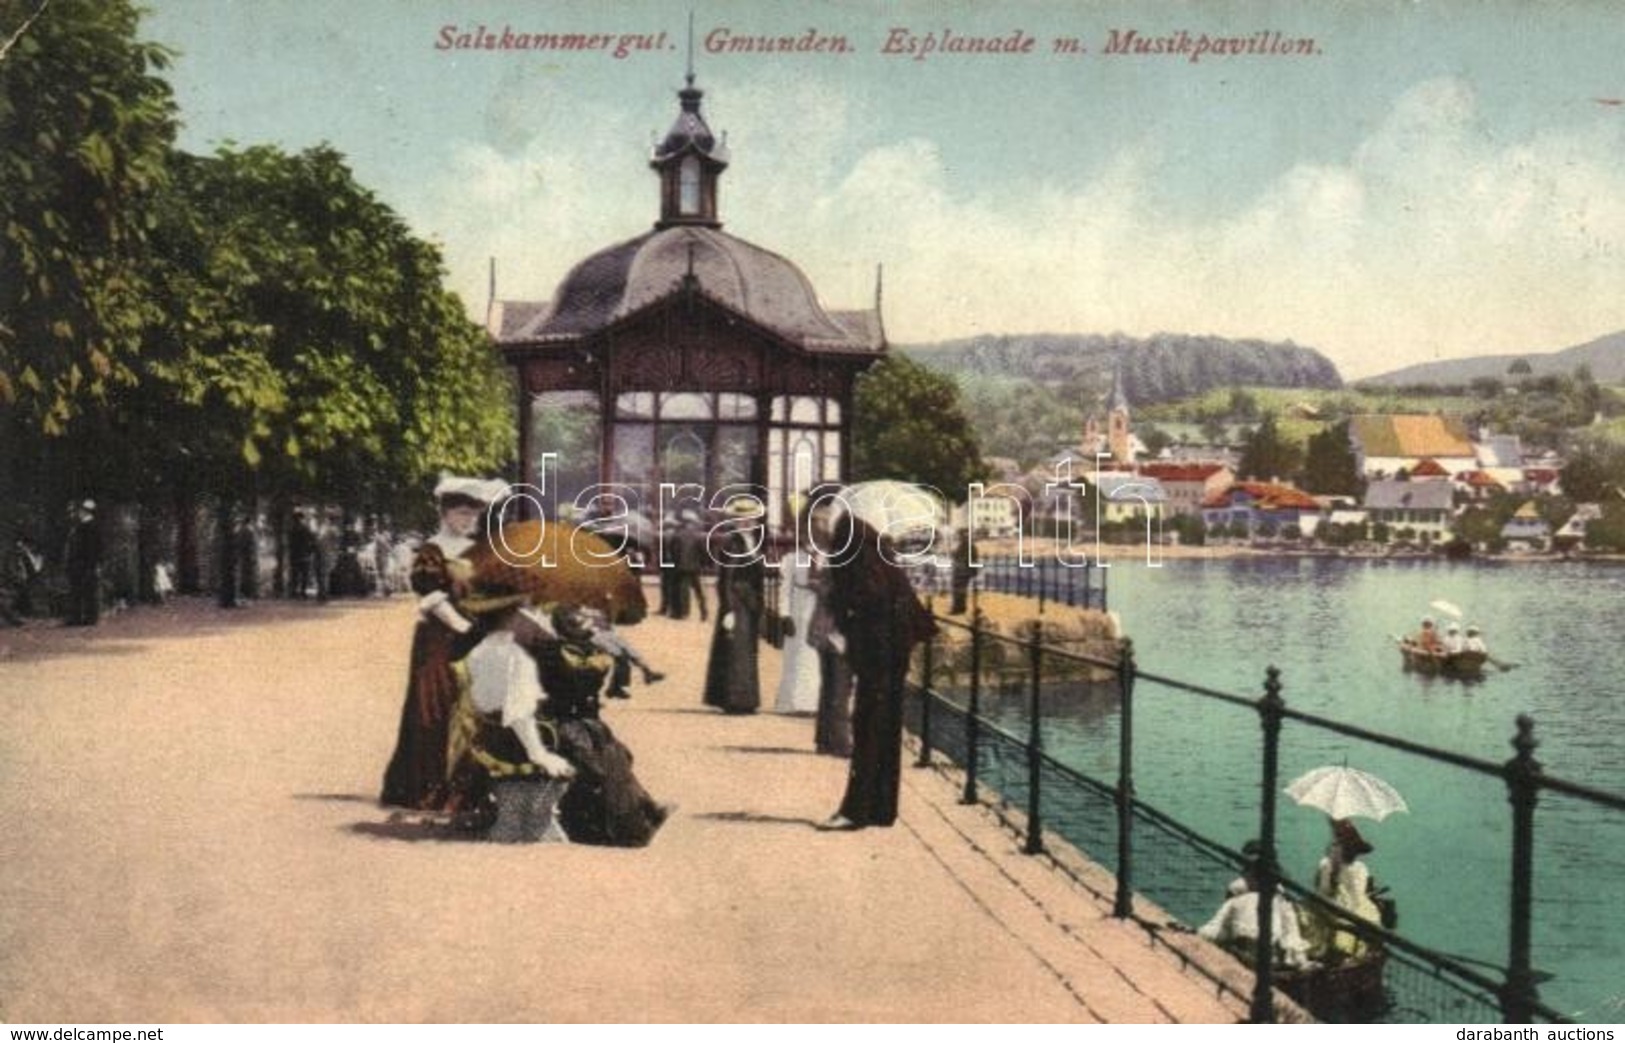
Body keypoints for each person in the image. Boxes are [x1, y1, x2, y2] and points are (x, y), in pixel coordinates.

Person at [379, 475, 509, 811]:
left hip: (475, 637)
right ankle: (427, 788)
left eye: (475, 515)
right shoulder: (431, 550)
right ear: (446, 513)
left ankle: (466, 788)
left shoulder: (478, 550)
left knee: (474, 709)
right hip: (439, 640)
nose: (470, 521)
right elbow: (432, 596)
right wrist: (463, 626)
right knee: (434, 707)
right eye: (464, 514)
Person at [817, 511, 938, 830]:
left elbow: (861, 602)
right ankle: (883, 808)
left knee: (868, 727)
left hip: (876, 655)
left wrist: (837, 604)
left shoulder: (854, 557)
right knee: (887, 728)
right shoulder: (883, 555)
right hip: (895, 652)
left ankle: (855, 811)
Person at [535, 604, 671, 846]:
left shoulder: (584, 652)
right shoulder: (552, 652)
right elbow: (573, 682)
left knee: (617, 755)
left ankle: (641, 812)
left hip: (584, 722)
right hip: (560, 722)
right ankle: (617, 823)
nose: (587, 628)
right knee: (593, 763)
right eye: (579, 624)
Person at [447, 594, 576, 843]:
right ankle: (534, 822)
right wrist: (539, 754)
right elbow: (518, 713)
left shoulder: (483, 646)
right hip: (516, 739)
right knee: (591, 743)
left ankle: (511, 816)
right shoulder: (516, 653)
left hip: (485, 731)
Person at [1197, 842, 1316, 970]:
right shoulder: (1239, 896)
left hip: (1257, 956)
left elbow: (1291, 935)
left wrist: (1301, 961)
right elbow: (1218, 926)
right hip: (1251, 955)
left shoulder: (1279, 900)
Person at [702, 497, 765, 715]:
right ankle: (734, 700)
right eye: (742, 519)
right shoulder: (732, 542)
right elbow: (726, 578)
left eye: (750, 519)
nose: (747, 522)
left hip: (749, 601)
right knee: (735, 651)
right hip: (736, 600)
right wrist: (728, 608)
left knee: (746, 650)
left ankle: (747, 699)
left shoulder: (752, 541)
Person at [1302, 818, 1385, 963]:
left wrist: (1334, 870)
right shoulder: (1359, 868)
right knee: (1370, 917)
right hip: (1350, 908)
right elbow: (1357, 896)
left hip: (1330, 906)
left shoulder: (1326, 864)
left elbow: (1323, 890)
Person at [773, 502, 824, 716]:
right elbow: (785, 589)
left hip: (818, 608)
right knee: (795, 655)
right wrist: (784, 614)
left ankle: (813, 702)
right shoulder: (792, 560)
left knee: (814, 656)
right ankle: (792, 701)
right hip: (799, 606)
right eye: (806, 536)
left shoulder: (827, 558)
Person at [583, 608, 664, 699]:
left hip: (607, 632)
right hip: (593, 635)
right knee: (620, 656)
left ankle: (647, 672)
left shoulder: (595, 605)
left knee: (630, 652)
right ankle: (615, 688)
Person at [63, 499, 102, 627]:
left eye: (80, 510)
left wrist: (91, 564)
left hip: (84, 564)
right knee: (79, 590)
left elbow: (92, 549)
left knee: (85, 591)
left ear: (84, 511)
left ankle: (86, 617)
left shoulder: (90, 527)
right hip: (80, 563)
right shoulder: (82, 526)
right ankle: (80, 617)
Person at [669, 508, 708, 621]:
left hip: (681, 566)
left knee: (683, 590)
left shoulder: (678, 535)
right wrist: (703, 563)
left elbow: (673, 551)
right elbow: (703, 551)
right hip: (695, 566)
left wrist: (676, 562)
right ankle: (703, 611)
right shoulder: (698, 535)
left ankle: (685, 612)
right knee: (698, 590)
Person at [2, 535, 43, 625]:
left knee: (21, 598)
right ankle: (13, 618)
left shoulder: (25, 557)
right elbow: (10, 569)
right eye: (18, 547)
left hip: (22, 580)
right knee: (11, 599)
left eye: (22, 547)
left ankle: (17, 617)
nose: (21, 549)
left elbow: (33, 569)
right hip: (13, 581)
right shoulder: (11, 556)